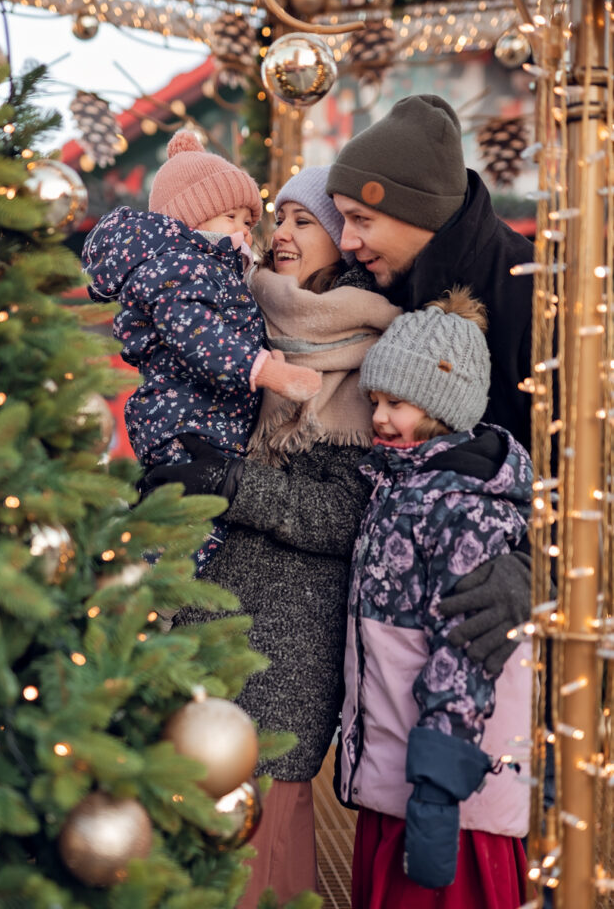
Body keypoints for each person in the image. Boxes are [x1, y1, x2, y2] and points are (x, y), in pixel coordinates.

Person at [142, 165, 400, 906]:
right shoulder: (238, 330)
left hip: (284, 647)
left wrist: (230, 482)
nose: (281, 235)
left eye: (303, 221)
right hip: (198, 621)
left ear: (341, 243)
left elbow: (348, 518)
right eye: (276, 218)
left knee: (262, 854)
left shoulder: (370, 359)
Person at [327, 94, 536, 675]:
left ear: (420, 214)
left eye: (362, 220)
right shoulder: (372, 286)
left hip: (493, 627)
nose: (346, 240)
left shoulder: (532, 292)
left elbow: (590, 465)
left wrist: (535, 566)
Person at [340, 288, 532, 909]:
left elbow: (465, 651)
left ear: (444, 406)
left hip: (448, 794)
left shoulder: (464, 509)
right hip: (399, 774)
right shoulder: (401, 486)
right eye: (376, 401)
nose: (380, 418)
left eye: (396, 402)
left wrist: (436, 791)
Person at [81, 131, 321, 568]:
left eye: (249, 221)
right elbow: (195, 331)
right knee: (189, 528)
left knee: (197, 518)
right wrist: (265, 370)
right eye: (232, 216)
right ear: (191, 218)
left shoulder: (209, 269)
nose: (245, 230)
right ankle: (157, 597)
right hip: (187, 418)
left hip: (205, 416)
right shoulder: (182, 265)